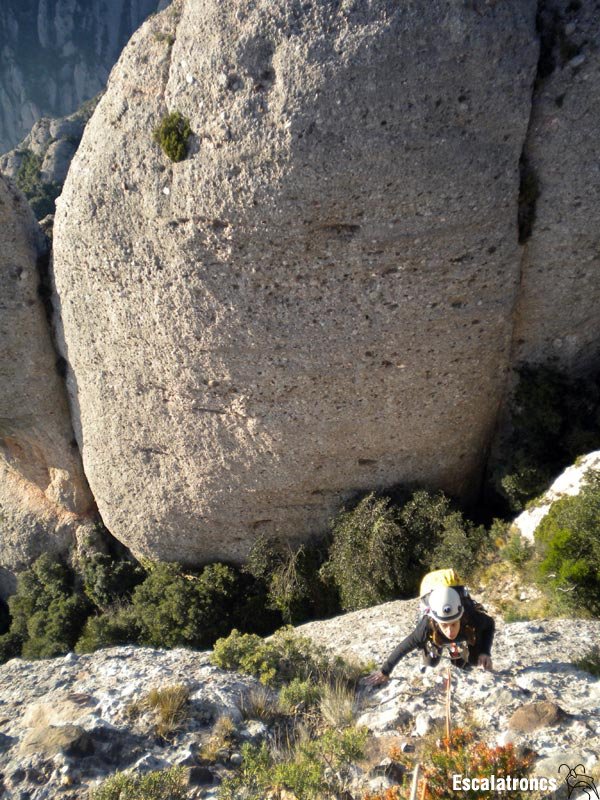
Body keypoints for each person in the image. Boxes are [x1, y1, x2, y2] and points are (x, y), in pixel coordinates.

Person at [366, 585, 495, 686]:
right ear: (435, 621)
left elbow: (490, 624)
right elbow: (404, 647)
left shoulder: (471, 617)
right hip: (436, 638)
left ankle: (459, 658)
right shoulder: (427, 627)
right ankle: (438, 651)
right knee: (431, 663)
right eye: (444, 625)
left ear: (461, 616)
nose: (450, 632)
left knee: (472, 662)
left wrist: (485, 652)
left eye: (454, 624)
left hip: (465, 633)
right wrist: (385, 671)